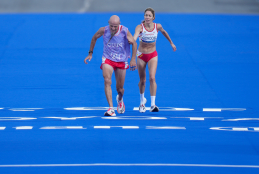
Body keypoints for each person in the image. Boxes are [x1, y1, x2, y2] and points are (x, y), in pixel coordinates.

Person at [84, 15, 137, 116]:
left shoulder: (125, 31)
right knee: (107, 80)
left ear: (119, 24)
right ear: (108, 23)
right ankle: (111, 109)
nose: (113, 28)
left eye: (115, 26)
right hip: (108, 59)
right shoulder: (103, 30)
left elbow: (134, 44)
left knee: (120, 89)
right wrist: (90, 53)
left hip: (121, 60)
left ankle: (120, 99)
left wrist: (133, 59)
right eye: (111, 26)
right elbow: (94, 37)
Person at [133, 7, 177, 113]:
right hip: (141, 55)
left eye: (149, 15)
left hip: (153, 55)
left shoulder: (158, 26)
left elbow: (164, 32)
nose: (147, 17)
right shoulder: (140, 27)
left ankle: (153, 105)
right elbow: (134, 38)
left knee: (152, 78)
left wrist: (171, 42)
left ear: (153, 17)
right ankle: (142, 103)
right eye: (146, 15)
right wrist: (132, 41)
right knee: (142, 80)